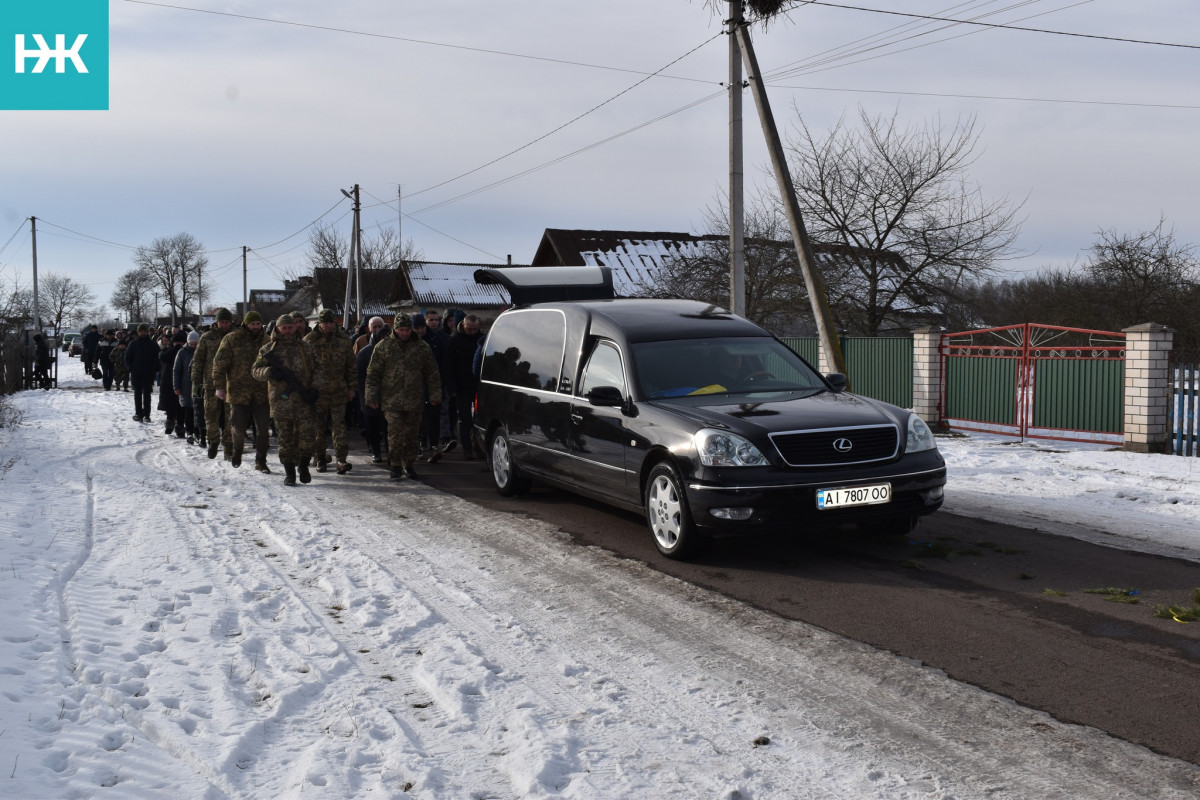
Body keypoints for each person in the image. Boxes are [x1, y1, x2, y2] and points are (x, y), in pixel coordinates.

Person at [365, 314, 441, 481]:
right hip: (391, 399)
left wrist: (435, 394)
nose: (405, 333)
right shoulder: (384, 347)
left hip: (414, 399)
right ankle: (396, 465)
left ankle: (409, 463)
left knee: (412, 435)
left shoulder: (421, 347)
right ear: (395, 329)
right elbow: (373, 374)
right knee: (395, 433)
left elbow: (432, 373)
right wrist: (371, 397)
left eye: (407, 330)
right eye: (401, 330)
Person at [252, 315, 321, 485]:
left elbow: (319, 369)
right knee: (285, 441)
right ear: (277, 329)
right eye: (285, 328)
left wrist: (315, 388)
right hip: (281, 403)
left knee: (308, 438)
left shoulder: (306, 348)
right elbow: (255, 371)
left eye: (291, 327)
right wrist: (269, 372)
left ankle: (303, 466)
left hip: (304, 402)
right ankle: (289, 473)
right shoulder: (268, 349)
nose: (288, 331)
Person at [212, 310, 270, 470]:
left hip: (261, 392)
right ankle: (237, 452)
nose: (256, 327)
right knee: (238, 428)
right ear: (246, 324)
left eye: (258, 324)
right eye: (253, 324)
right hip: (238, 392)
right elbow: (219, 364)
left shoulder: (267, 341)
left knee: (263, 431)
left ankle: (261, 461)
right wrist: (219, 387)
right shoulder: (232, 339)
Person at [304, 308, 357, 475]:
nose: (328, 325)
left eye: (331, 322)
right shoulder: (309, 341)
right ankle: (320, 458)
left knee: (339, 427)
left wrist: (351, 388)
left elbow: (351, 366)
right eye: (325, 323)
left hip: (338, 392)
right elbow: (304, 369)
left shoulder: (343, 340)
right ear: (319, 323)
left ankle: (341, 460)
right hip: (318, 393)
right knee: (319, 429)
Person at [192, 307, 234, 458]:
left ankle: (229, 445)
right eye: (221, 322)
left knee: (231, 417)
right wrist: (196, 382)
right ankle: (213, 442)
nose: (224, 325)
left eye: (226, 322)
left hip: (231, 383)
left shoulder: (235, 336)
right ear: (216, 323)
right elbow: (198, 361)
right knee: (211, 415)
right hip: (210, 384)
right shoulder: (207, 337)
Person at [447, 314, 485, 459]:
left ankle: (480, 447)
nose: (472, 332)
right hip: (461, 386)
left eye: (475, 329)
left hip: (478, 386)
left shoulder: (482, 339)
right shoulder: (454, 340)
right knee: (465, 419)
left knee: (480, 419)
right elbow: (448, 366)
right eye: (470, 329)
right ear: (463, 325)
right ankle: (467, 449)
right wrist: (452, 388)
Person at [356, 323, 389, 464]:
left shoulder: (392, 351)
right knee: (373, 425)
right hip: (369, 393)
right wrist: (368, 394)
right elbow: (360, 376)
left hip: (389, 394)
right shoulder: (365, 353)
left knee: (389, 427)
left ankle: (391, 453)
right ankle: (375, 451)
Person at [124, 324, 159, 422]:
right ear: (138, 332)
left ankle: (147, 414)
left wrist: (155, 368)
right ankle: (138, 413)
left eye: (144, 331)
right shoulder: (133, 344)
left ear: (147, 332)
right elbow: (127, 358)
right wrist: (130, 368)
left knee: (147, 394)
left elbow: (158, 357)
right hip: (136, 373)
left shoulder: (152, 344)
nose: (143, 333)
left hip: (149, 373)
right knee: (137, 394)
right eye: (141, 331)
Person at [158, 331, 186, 437]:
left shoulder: (186, 352)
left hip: (183, 383)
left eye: (180, 342)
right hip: (168, 383)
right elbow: (162, 357)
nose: (178, 344)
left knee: (181, 407)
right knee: (170, 406)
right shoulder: (167, 351)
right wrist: (175, 349)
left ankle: (180, 427)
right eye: (176, 342)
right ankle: (170, 425)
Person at [174, 331, 200, 444]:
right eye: (192, 344)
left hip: (199, 385)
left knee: (198, 411)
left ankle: (198, 432)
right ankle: (189, 432)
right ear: (188, 343)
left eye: (196, 344)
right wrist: (176, 386)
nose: (194, 346)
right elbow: (176, 370)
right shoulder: (182, 353)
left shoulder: (201, 352)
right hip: (185, 386)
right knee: (188, 410)